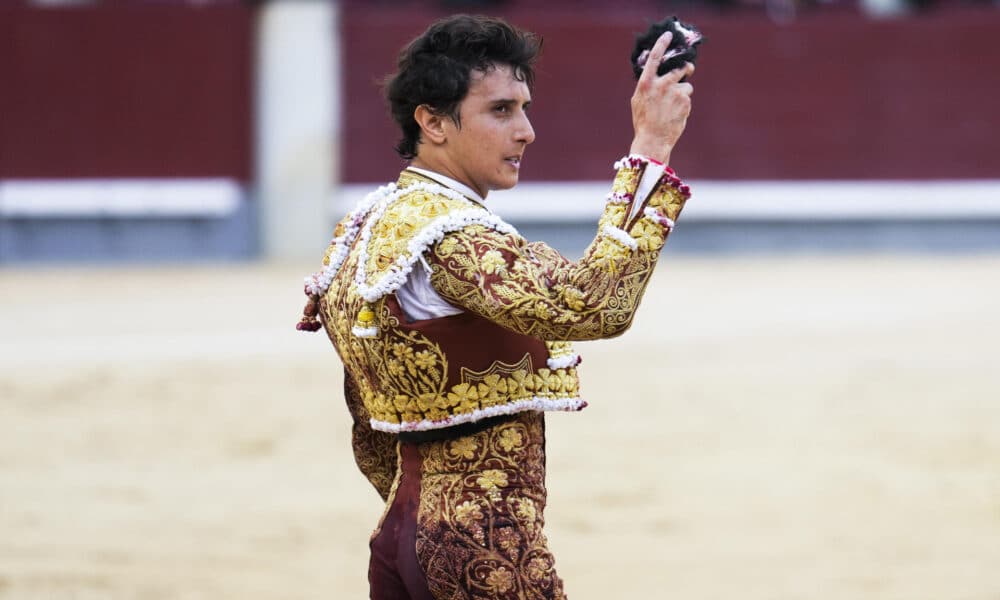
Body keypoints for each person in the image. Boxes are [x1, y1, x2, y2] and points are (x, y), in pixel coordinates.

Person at [297, 14, 694, 600]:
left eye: (523, 107)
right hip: (482, 543)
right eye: (501, 110)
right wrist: (651, 149)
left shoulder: (366, 225)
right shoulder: (445, 232)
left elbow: (368, 409)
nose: (527, 131)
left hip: (402, 535)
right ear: (432, 122)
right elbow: (594, 305)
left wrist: (418, 518)